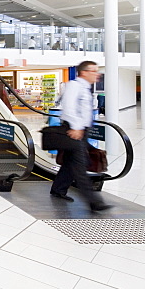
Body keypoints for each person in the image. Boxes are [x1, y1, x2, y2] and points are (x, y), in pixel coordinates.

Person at [49, 61, 112, 212]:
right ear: (84, 72)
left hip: (82, 132)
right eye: (93, 71)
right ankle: (94, 202)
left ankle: (58, 189)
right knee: (80, 166)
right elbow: (69, 107)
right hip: (74, 130)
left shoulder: (85, 88)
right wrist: (76, 128)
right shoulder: (74, 86)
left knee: (70, 163)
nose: (97, 74)